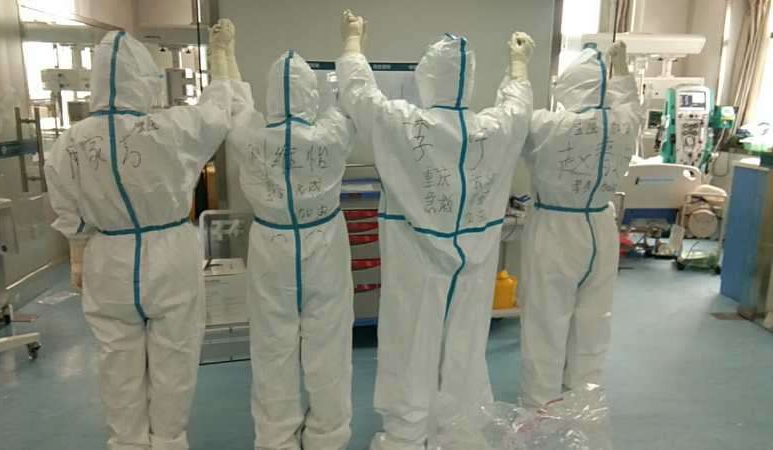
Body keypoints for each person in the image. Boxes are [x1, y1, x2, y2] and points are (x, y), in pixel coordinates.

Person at [46, 20, 249, 450]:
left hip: (108, 259)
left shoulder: (69, 143)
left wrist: (79, 255)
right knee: (175, 358)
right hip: (169, 254)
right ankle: (169, 440)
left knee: (116, 365)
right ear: (144, 80)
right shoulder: (172, 127)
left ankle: (128, 443)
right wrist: (219, 57)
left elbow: (69, 215)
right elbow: (220, 112)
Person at [336, 10, 534, 450]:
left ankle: (405, 436)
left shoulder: (405, 123)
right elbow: (518, 109)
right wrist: (517, 68)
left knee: (410, 348)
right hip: (474, 261)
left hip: (416, 261)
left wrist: (352, 45)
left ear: (427, 77)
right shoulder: (493, 129)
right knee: (465, 349)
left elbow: (359, 94)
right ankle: (461, 433)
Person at [227, 50, 355, 450]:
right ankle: (327, 438)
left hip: (272, 246)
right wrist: (353, 46)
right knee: (329, 344)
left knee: (272, 347)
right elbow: (350, 102)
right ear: (310, 94)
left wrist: (225, 55)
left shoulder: (249, 134)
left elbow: (234, 103)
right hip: (325, 244)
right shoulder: (331, 133)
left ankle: (276, 438)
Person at [519, 41, 642, 408]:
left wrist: (518, 69)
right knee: (593, 321)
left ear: (569, 86)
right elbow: (631, 103)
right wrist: (622, 72)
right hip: (601, 226)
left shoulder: (548, 124)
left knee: (545, 320)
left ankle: (541, 405)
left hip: (556, 227)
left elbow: (512, 122)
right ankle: (584, 402)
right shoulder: (624, 123)